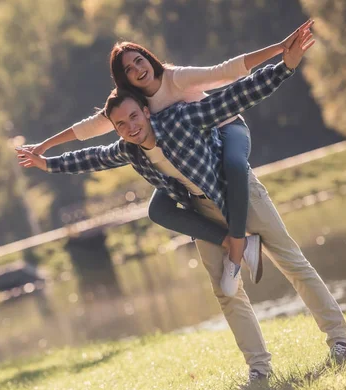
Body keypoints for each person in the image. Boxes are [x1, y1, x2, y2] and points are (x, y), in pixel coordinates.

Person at [17, 31, 346, 382]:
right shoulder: (129, 149)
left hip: (242, 194)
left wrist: (285, 65)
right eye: (121, 125)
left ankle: (339, 340)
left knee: (292, 263)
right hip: (201, 209)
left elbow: (235, 93)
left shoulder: (180, 116)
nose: (130, 127)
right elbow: (91, 156)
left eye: (134, 117)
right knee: (227, 292)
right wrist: (47, 161)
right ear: (115, 128)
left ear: (145, 111)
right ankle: (259, 369)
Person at [22, 20, 316, 291]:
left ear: (149, 58)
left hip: (226, 127)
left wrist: (280, 50)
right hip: (188, 154)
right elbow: (87, 133)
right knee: (159, 208)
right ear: (124, 81)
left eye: (140, 60)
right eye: (129, 69)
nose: (138, 68)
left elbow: (227, 72)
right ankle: (235, 243)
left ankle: (239, 246)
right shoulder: (130, 107)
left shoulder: (176, 78)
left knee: (234, 164)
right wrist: (44, 150)